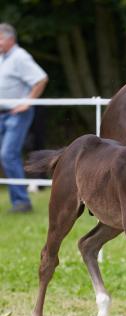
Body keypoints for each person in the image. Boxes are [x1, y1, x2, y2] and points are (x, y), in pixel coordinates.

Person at [0, 23, 48, 212]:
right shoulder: (3, 57)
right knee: (6, 156)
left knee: (8, 154)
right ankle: (18, 199)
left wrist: (28, 102)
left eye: (0, 39)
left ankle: (21, 202)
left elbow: (40, 78)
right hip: (3, 113)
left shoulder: (20, 57)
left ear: (10, 39)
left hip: (16, 114)